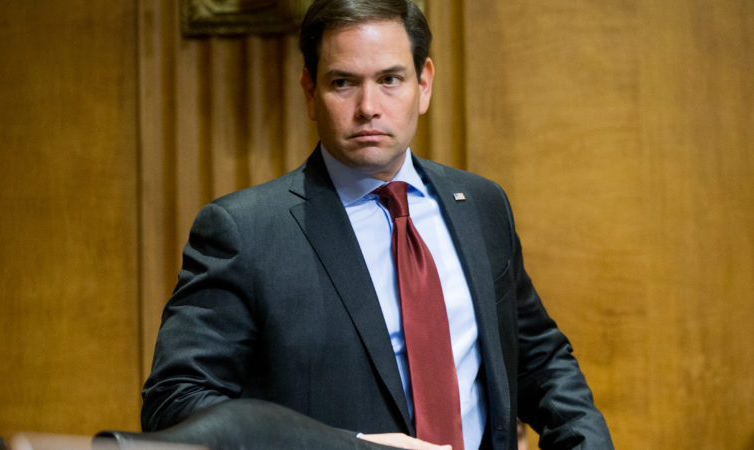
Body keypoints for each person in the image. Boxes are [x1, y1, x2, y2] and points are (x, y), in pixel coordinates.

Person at [141, 1, 614, 449]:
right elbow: (175, 404)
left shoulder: (482, 206)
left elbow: (541, 361)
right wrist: (346, 447)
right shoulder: (245, 233)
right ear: (310, 92)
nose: (368, 106)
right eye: (343, 82)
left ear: (423, 84)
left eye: (390, 79)